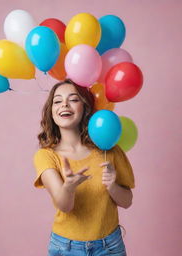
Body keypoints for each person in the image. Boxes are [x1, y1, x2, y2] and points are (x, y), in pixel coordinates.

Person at [33, 78, 135, 256]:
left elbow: (127, 201)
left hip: (110, 246)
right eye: (57, 101)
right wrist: (69, 187)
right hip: (67, 248)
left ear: (85, 107)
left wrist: (112, 186)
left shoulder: (108, 149)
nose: (64, 104)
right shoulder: (46, 156)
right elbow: (64, 206)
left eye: (73, 99)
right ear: (51, 111)